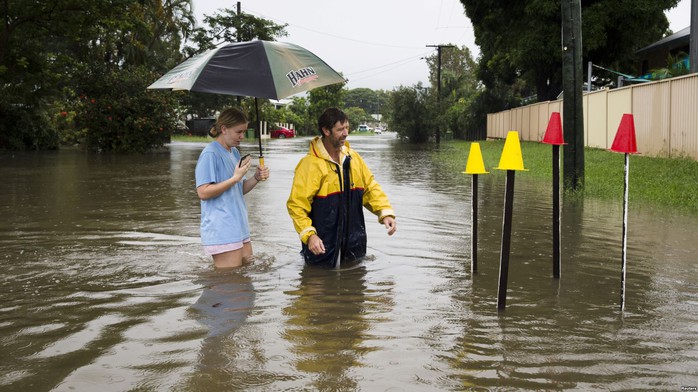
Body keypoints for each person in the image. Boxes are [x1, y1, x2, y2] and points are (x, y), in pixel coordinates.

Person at [287, 107, 396, 268]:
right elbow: (297, 206)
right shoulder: (309, 165)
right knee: (317, 284)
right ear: (326, 130)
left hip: (354, 243)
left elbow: (370, 188)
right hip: (321, 247)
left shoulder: (354, 158)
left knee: (355, 283)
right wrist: (310, 236)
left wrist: (385, 213)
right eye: (340, 129)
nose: (345, 133)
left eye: (347, 128)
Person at [195, 107, 269, 269]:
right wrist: (234, 178)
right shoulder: (210, 154)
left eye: (244, 131)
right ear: (224, 129)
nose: (242, 136)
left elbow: (238, 189)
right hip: (222, 229)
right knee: (230, 284)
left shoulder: (234, 153)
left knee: (245, 280)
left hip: (239, 226)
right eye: (239, 132)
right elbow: (203, 192)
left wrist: (256, 178)